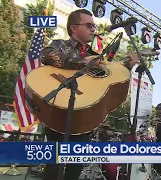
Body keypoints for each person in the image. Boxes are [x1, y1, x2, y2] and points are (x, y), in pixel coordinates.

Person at [39, 9, 138, 180]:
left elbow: (109, 78)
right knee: (53, 168)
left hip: (84, 117)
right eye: (89, 25)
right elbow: (46, 55)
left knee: (74, 169)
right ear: (74, 28)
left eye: (94, 26)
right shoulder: (61, 45)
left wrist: (128, 65)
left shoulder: (96, 56)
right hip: (59, 111)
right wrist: (82, 62)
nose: (94, 29)